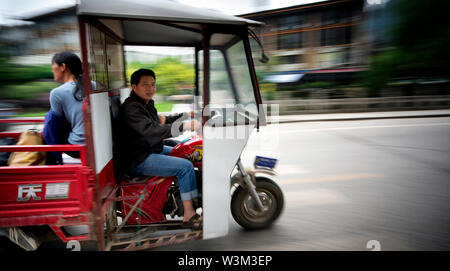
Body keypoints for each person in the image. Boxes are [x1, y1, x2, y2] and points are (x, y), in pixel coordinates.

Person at [119, 68, 202, 227]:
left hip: (148, 149)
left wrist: (187, 115)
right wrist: (184, 126)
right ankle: (189, 213)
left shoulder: (146, 104)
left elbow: (162, 120)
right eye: (145, 85)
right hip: (138, 158)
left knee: (185, 152)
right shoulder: (132, 108)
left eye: (153, 84)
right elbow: (151, 131)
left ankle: (185, 197)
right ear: (134, 86)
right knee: (185, 167)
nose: (150, 88)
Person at [43, 51, 85, 163]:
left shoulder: (57, 93)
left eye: (53, 66)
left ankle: (54, 161)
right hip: (101, 145)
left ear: (63, 67)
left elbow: (53, 126)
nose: (52, 70)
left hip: (78, 147)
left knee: (50, 119)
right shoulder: (95, 85)